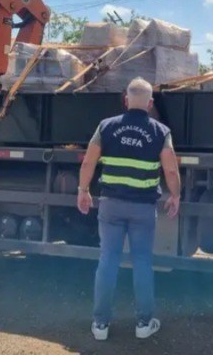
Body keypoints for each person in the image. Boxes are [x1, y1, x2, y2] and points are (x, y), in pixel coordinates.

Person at [77, 76, 181, 342]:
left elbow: (89, 162)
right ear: (150, 104)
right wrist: (175, 195)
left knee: (108, 260)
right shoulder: (161, 132)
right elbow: (170, 167)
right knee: (143, 262)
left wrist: (83, 190)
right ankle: (144, 324)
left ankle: (100, 325)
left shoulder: (106, 127)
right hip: (143, 209)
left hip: (111, 206)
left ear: (126, 100)